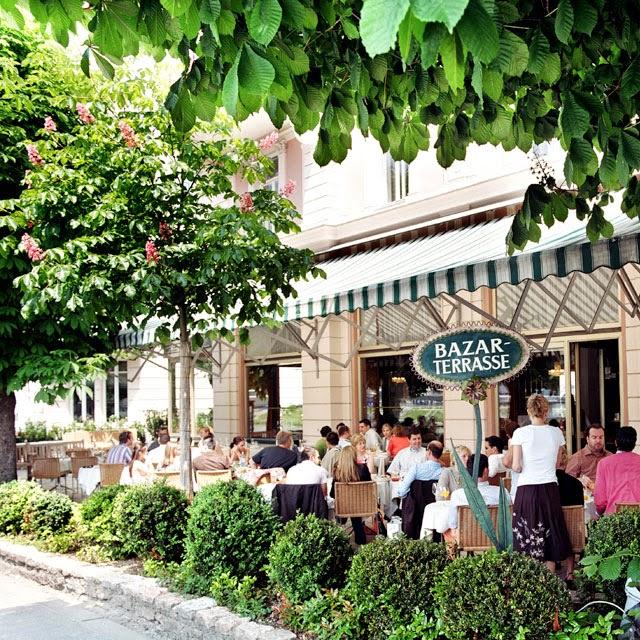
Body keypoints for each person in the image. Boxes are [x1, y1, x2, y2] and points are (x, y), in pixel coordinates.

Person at [509, 394, 572, 574]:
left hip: (526, 489)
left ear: (529, 411)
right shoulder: (556, 433)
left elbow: (516, 466)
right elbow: (558, 464)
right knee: (549, 539)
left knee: (526, 535)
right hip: (549, 488)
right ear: (546, 411)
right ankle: (549, 584)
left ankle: (532, 585)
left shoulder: (520, 433)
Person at [446, 454, 502, 533]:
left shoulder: (457, 495)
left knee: (447, 532)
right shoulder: (502, 493)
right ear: (486, 471)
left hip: (465, 540)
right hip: (497, 541)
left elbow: (453, 524)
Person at [331, 445, 371, 545]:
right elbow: (369, 487)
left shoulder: (338, 473)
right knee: (355, 510)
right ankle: (360, 540)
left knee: (346, 506)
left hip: (343, 507)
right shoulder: (363, 468)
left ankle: (341, 527)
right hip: (361, 506)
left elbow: (332, 494)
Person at [595, 426, 640, 515]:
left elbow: (600, 502)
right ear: (634, 443)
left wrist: (599, 513)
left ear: (615, 442)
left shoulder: (604, 463)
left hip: (613, 518)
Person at [565, 424, 613, 490]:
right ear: (587, 439)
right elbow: (566, 480)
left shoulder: (610, 457)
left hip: (608, 496)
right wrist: (580, 480)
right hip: (586, 497)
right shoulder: (578, 457)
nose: (598, 440)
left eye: (601, 437)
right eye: (594, 437)